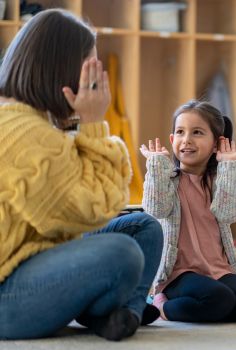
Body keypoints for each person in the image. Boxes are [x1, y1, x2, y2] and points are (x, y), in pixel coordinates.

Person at [0, 9, 163, 341]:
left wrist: (78, 125)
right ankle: (115, 309)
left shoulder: (39, 120)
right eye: (91, 67)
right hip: (9, 293)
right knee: (122, 253)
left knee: (143, 226)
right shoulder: (26, 133)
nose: (96, 80)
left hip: (37, 255)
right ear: (63, 68)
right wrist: (93, 124)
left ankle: (123, 314)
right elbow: (92, 211)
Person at [141, 100, 236, 323]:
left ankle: (213, 308)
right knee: (219, 298)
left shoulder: (220, 179)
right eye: (180, 132)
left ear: (216, 144)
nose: (186, 139)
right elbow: (155, 209)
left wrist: (228, 166)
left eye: (197, 132)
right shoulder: (167, 179)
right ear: (172, 140)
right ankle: (162, 305)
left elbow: (230, 213)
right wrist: (157, 166)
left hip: (218, 269)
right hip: (178, 273)